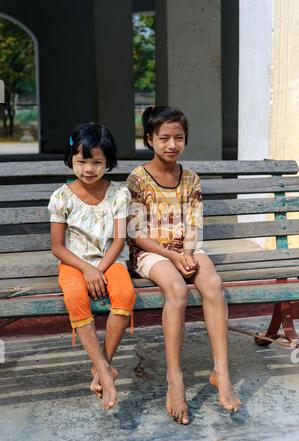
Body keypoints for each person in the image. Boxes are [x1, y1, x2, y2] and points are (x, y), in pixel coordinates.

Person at [126, 106, 240, 424]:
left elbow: (193, 225)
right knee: (176, 289)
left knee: (213, 284)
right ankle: (175, 378)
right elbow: (136, 235)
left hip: (185, 249)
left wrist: (188, 252)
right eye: (164, 138)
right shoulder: (138, 179)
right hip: (150, 253)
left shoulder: (190, 179)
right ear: (149, 139)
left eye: (179, 137)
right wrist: (175, 257)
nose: (172, 144)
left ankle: (221, 371)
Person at [48, 122, 136, 410]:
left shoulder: (119, 193)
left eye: (96, 162)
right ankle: (106, 374)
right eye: (81, 161)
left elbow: (120, 240)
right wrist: (87, 268)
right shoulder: (62, 197)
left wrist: (99, 267)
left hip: (110, 259)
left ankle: (102, 367)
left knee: (125, 294)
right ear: (71, 160)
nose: (88, 168)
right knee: (75, 296)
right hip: (73, 262)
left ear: (107, 162)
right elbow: (58, 247)